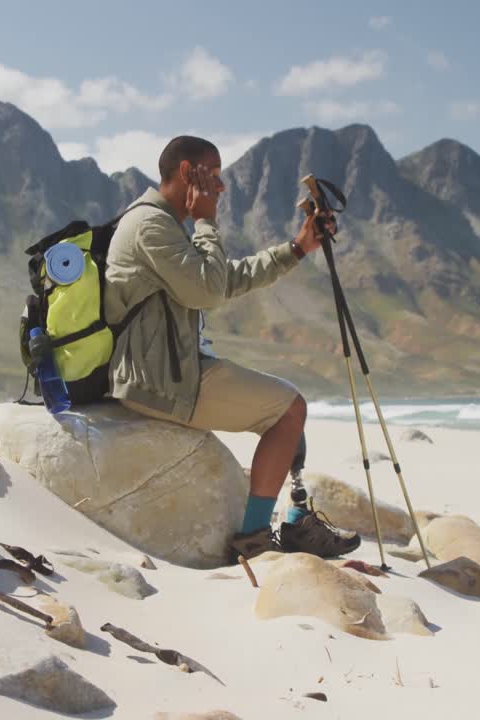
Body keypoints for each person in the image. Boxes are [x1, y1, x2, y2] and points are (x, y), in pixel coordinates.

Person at [103, 135, 360, 561]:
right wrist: (206, 221)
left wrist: (297, 248)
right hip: (160, 381)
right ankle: (256, 538)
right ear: (188, 173)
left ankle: (296, 520)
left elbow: (223, 279)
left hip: (172, 368)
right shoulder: (150, 224)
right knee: (289, 410)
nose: (221, 187)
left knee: (285, 409)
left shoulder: (162, 223)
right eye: (215, 175)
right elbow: (206, 290)